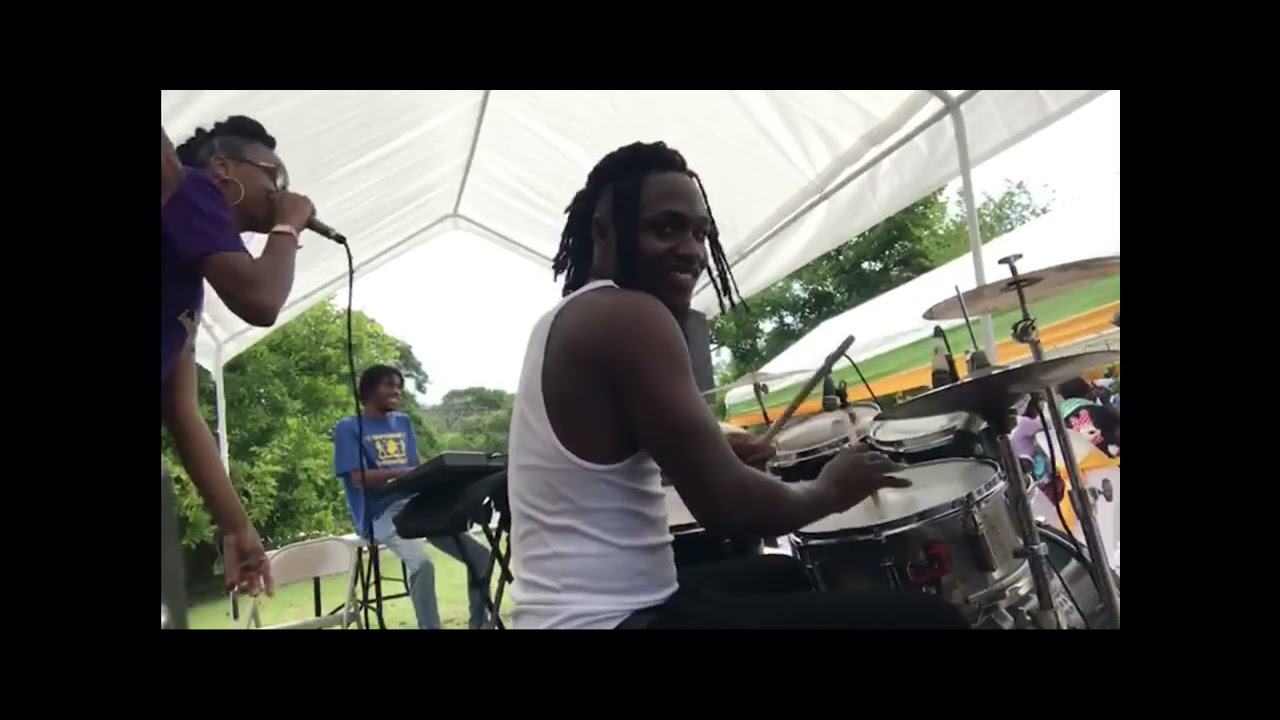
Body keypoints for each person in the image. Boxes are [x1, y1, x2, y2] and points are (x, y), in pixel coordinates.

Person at [506, 141, 970, 630]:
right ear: (602, 230)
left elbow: (609, 466)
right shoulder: (629, 315)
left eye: (699, 233)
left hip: (592, 610)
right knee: (927, 619)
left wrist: (718, 451)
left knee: (790, 575)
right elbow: (732, 509)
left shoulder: (570, 316)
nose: (691, 251)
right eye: (664, 229)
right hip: (608, 621)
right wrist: (832, 488)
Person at [161, 115, 316, 626]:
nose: (280, 192)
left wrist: (236, 527)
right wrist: (288, 225)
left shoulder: (182, 275)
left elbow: (183, 413)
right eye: (274, 176)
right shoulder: (190, 188)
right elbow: (261, 299)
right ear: (222, 168)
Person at [332, 365, 493, 630]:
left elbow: (416, 466)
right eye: (389, 385)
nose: (396, 391)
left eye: (399, 386)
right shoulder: (348, 428)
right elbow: (359, 478)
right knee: (422, 565)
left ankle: (481, 624)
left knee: (480, 557)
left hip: (418, 504)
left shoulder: (403, 422)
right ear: (368, 390)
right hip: (381, 513)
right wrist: (409, 472)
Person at [1057, 377, 1120, 458]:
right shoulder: (1098, 411)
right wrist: (1107, 402)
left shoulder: (1061, 420)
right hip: (1112, 461)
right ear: (1088, 391)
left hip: (1088, 464)